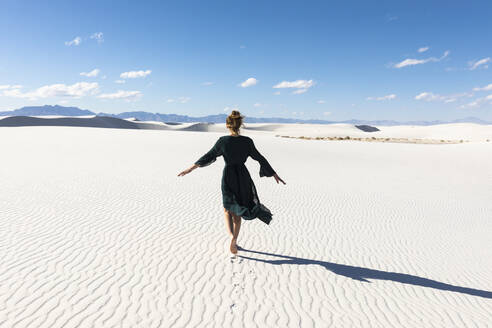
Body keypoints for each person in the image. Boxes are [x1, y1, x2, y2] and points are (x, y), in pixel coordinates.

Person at [178, 110, 286, 254]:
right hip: (243, 177)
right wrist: (273, 173)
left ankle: (230, 237)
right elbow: (260, 158)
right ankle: (234, 238)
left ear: (228, 125)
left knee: (227, 207)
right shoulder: (247, 142)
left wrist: (190, 168)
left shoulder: (223, 141)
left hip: (228, 176)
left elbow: (208, 156)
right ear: (240, 125)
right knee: (239, 210)